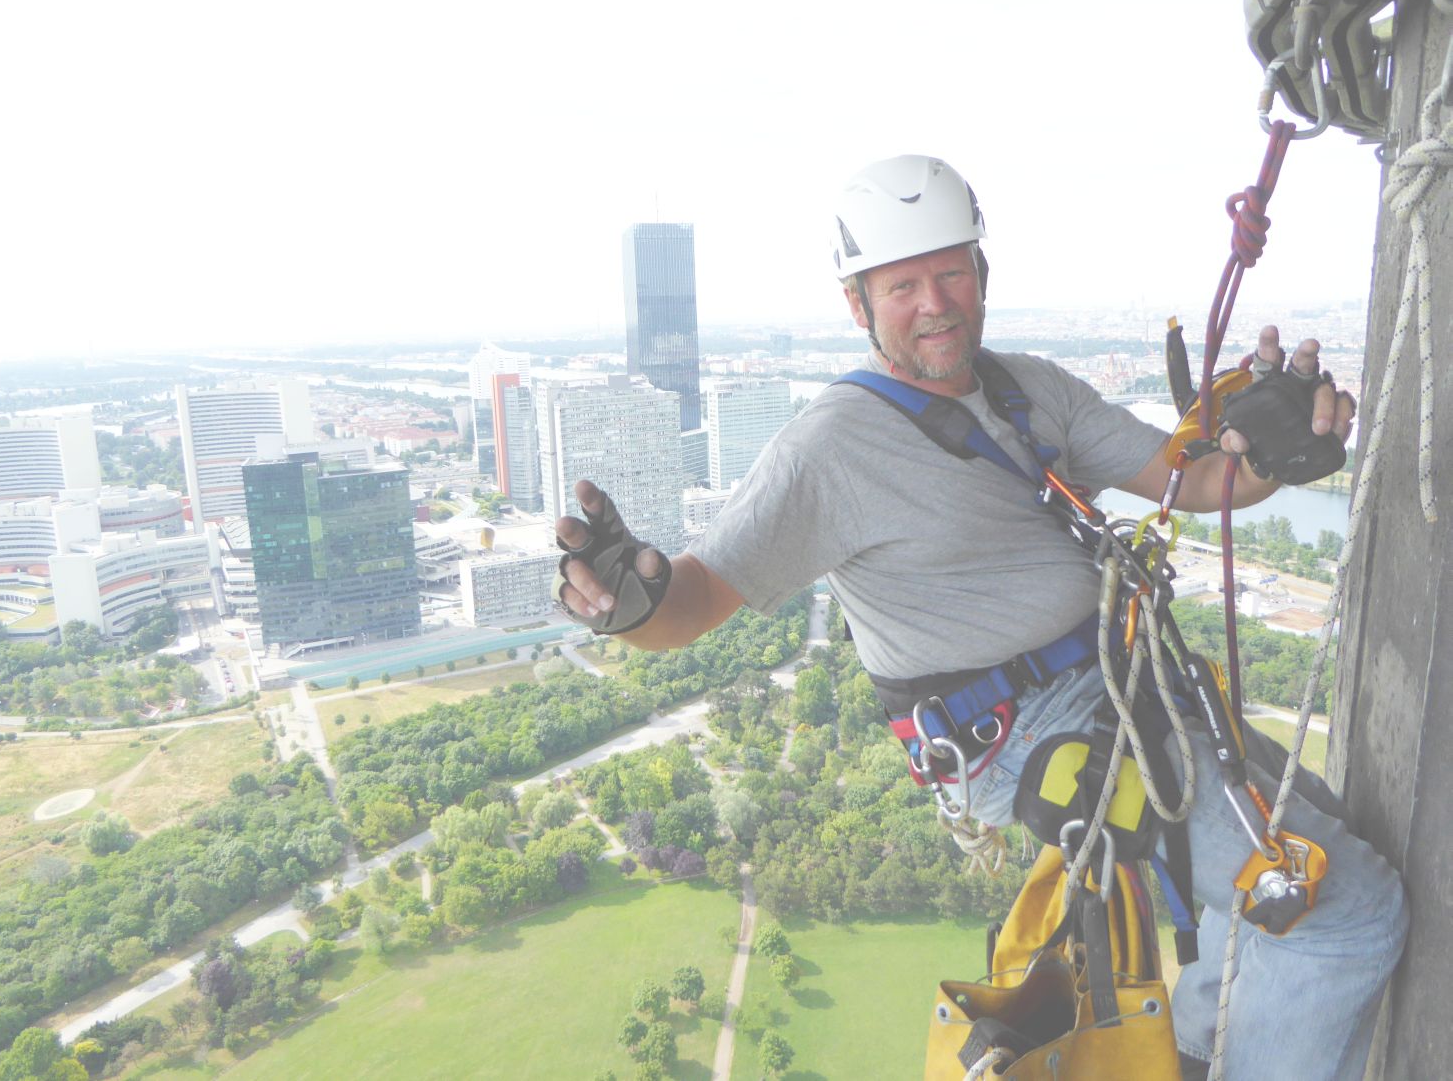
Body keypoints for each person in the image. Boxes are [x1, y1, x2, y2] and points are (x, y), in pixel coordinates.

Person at [552, 155, 1406, 1079]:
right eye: (903, 284)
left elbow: (1190, 478)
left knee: (1327, 832)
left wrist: (1276, 446)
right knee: (1342, 917)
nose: (935, 301)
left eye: (952, 271)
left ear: (982, 276)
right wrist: (631, 605)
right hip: (1027, 728)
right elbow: (692, 600)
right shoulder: (830, 448)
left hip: (1121, 687)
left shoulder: (1027, 389)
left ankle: (1202, 1052)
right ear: (859, 305)